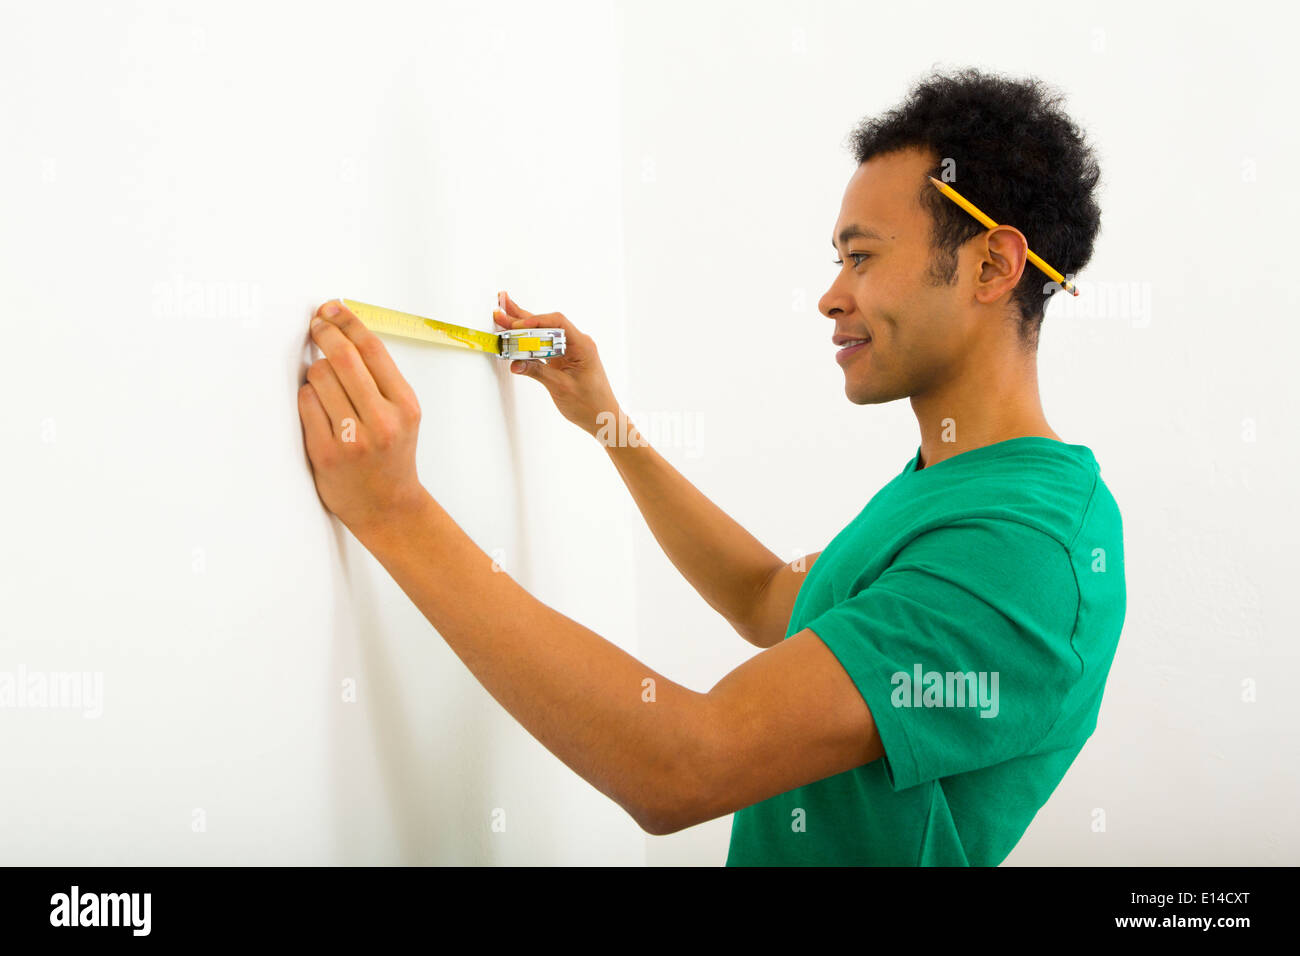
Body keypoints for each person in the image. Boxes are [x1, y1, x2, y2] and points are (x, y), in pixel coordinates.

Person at [300, 65, 1124, 866]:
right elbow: (767, 598)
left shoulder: (1025, 548)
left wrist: (394, 512)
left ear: (993, 265)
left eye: (861, 256)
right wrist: (606, 422)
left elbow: (682, 766)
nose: (831, 296)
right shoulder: (957, 486)